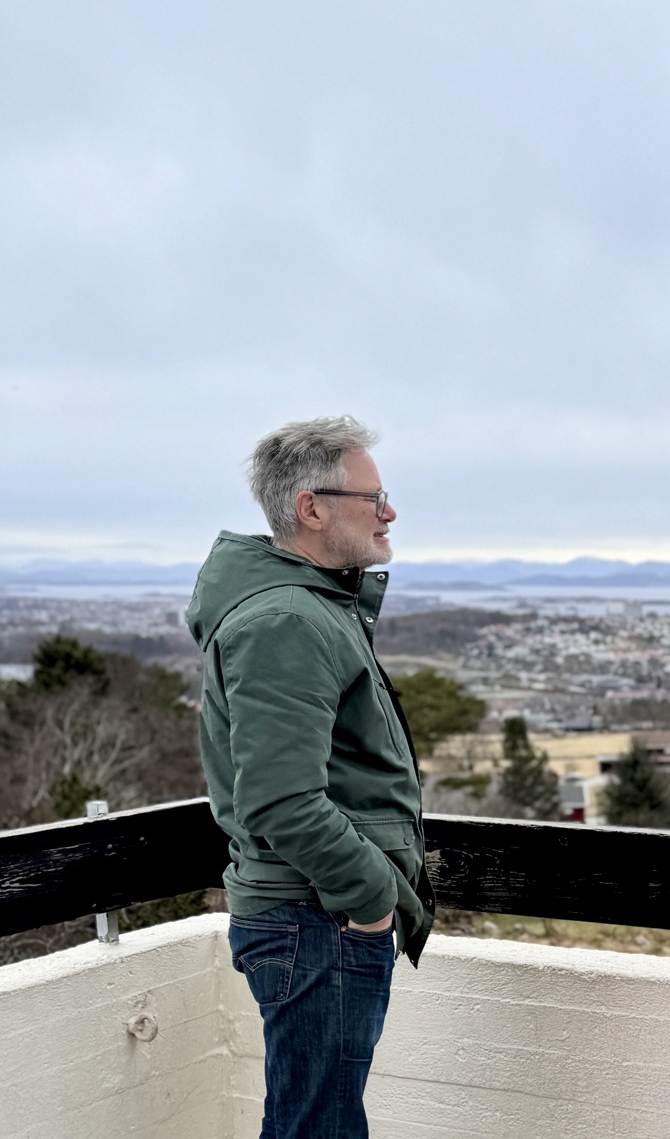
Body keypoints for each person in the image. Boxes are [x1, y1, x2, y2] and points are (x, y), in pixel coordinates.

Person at [186, 416, 434, 1139]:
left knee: (314, 1122)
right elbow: (281, 798)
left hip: (314, 915)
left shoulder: (312, 607)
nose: (389, 512)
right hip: (315, 918)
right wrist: (370, 899)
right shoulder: (288, 619)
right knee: (317, 1128)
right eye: (374, 496)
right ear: (311, 508)